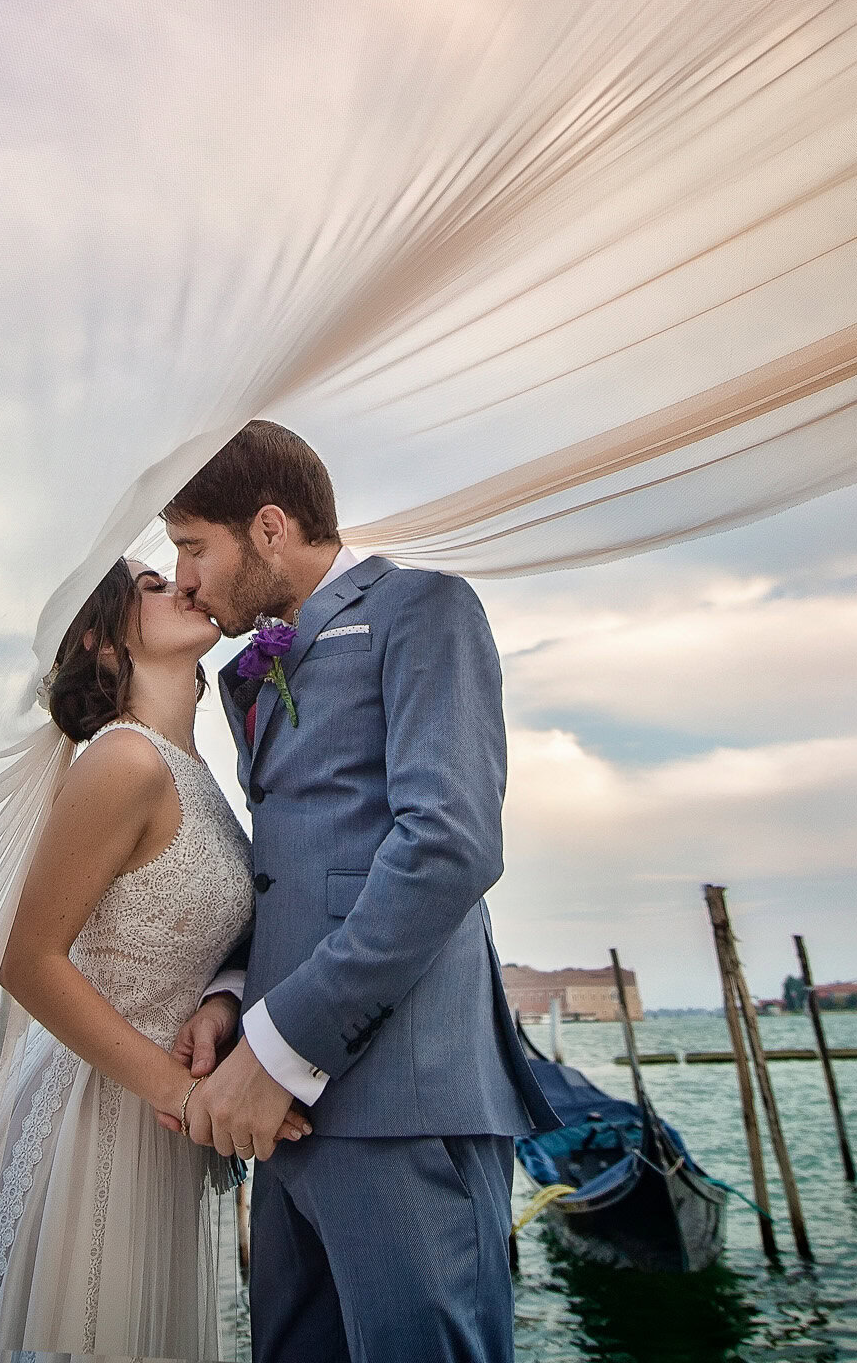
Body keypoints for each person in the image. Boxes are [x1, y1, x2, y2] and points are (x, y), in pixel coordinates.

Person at [160, 419, 559, 1363]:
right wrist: (230, 995)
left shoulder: (425, 608)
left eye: (191, 548)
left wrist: (280, 1042)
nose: (183, 579)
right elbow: (287, 865)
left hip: (400, 1100)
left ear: (267, 527)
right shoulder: (254, 672)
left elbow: (449, 844)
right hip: (285, 1117)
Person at [0, 555, 310, 1357]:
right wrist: (185, 1098)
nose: (183, 584)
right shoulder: (123, 761)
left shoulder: (200, 779)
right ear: (105, 644)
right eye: (153, 587)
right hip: (97, 1119)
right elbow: (27, 961)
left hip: (160, 1131)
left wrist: (221, 1005)